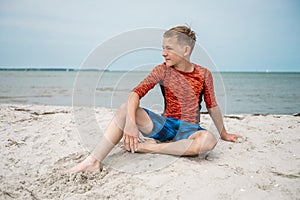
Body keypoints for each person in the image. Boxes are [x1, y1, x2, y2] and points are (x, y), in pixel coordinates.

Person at [65, 25, 241, 173]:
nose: (164, 53)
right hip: (164, 126)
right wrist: (131, 124)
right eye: (163, 48)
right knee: (123, 110)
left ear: (186, 50)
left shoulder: (203, 74)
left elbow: (212, 106)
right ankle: (93, 161)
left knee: (209, 140)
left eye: (169, 48)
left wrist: (224, 133)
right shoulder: (162, 70)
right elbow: (135, 94)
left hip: (189, 130)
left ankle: (149, 147)